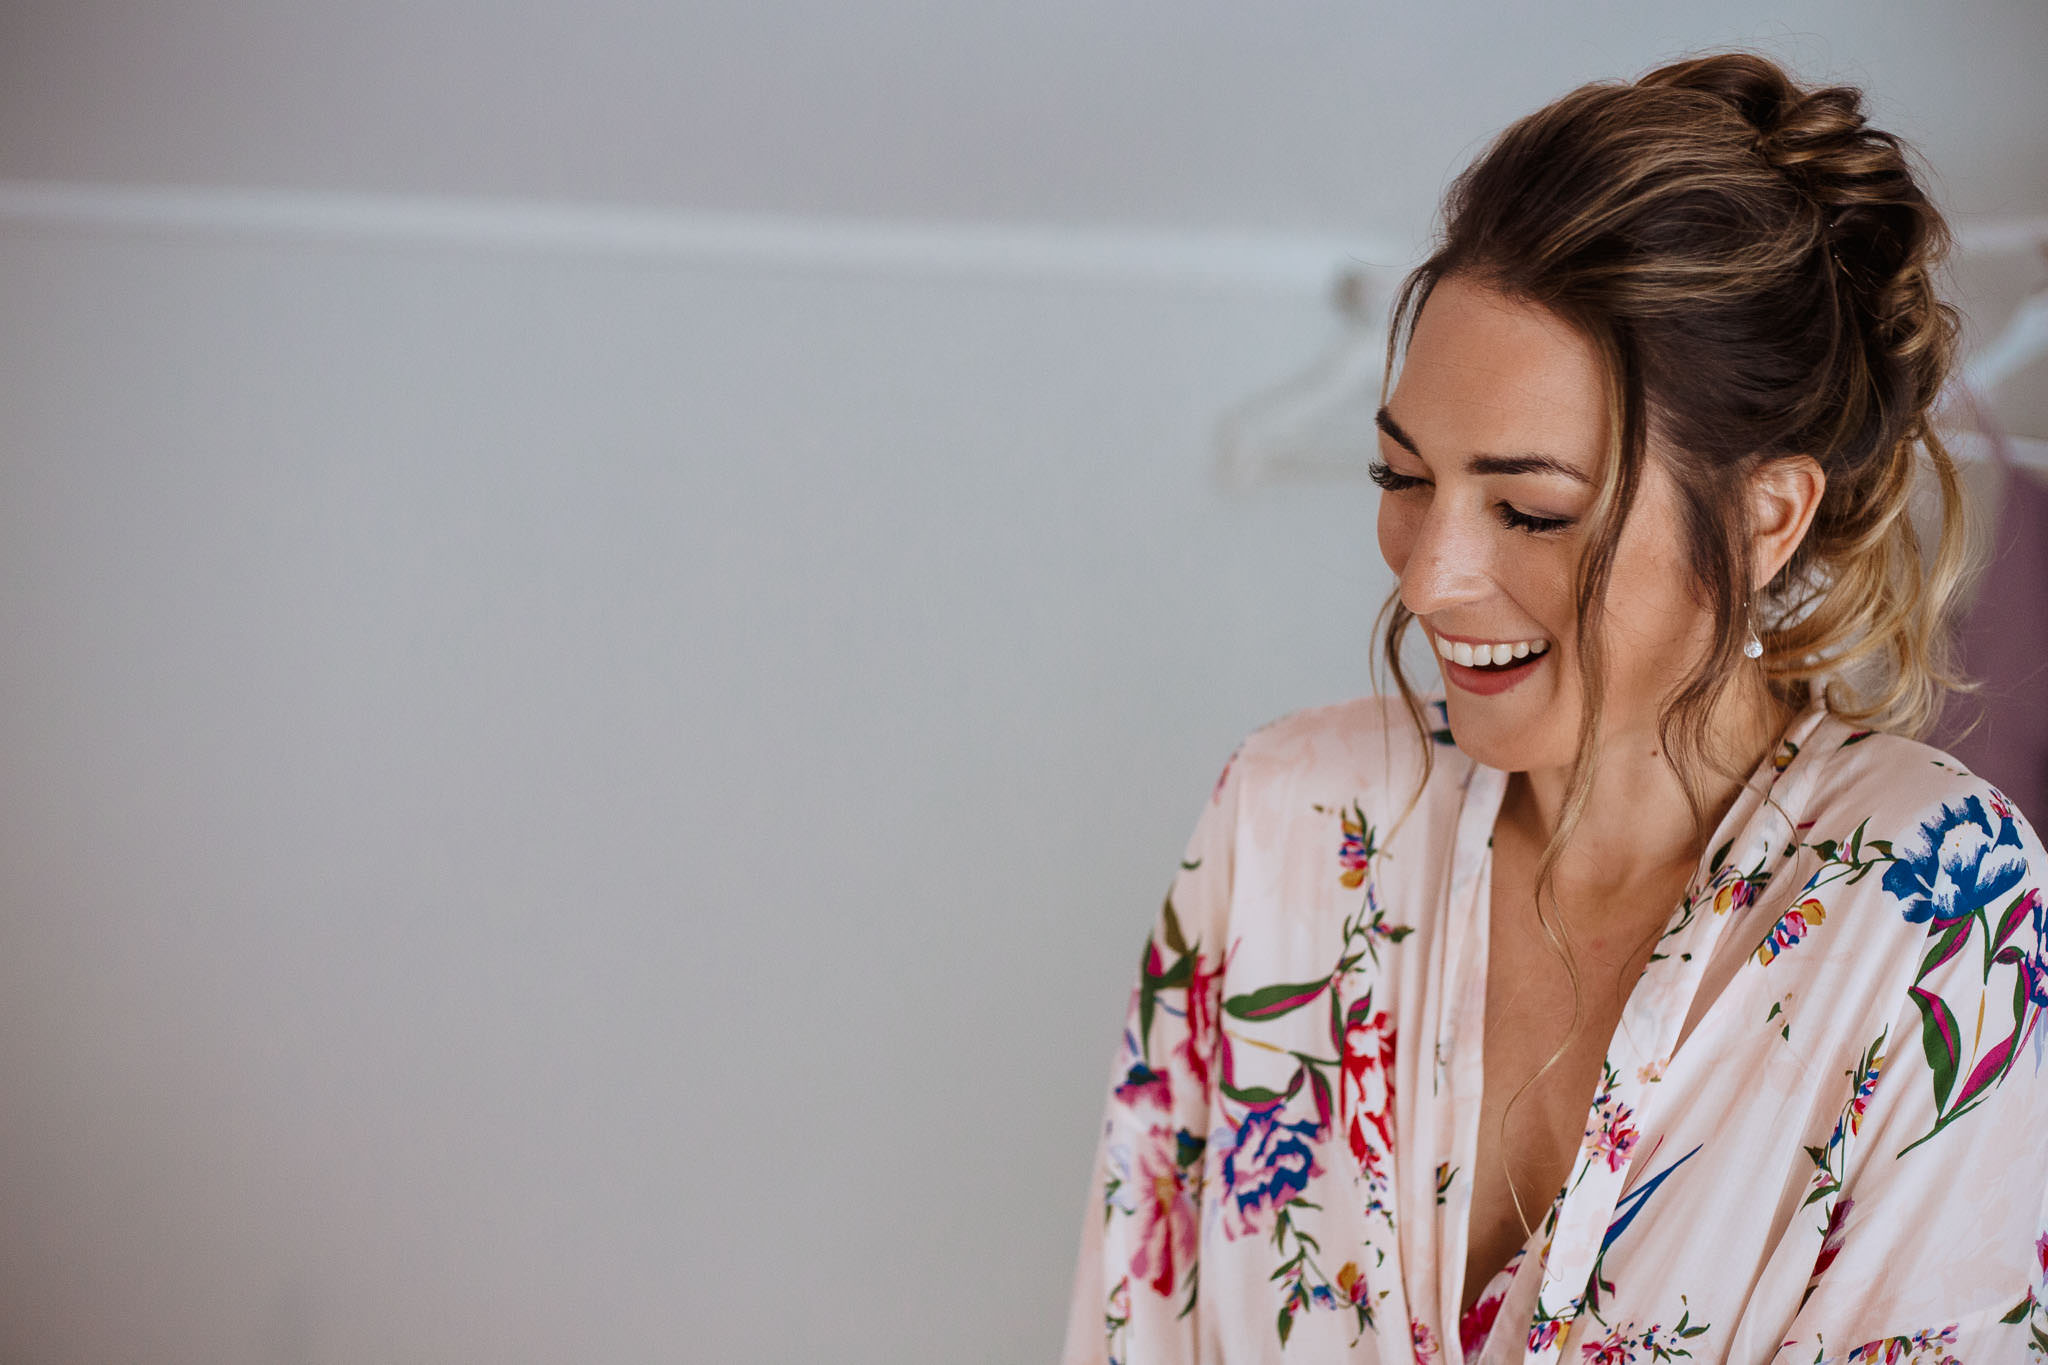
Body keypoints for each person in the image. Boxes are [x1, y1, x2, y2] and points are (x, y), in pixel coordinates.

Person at [1059, 52, 2048, 1365]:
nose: (1429, 571)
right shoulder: (1287, 822)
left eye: (1530, 508)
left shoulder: (1938, 913)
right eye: (1402, 472)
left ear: (1764, 517)